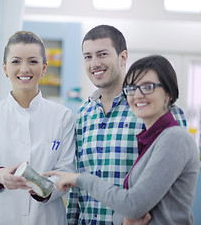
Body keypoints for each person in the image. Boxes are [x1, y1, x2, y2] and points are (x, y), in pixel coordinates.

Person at [45, 54, 200, 224]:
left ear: (169, 93)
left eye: (148, 87)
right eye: (132, 88)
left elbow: (132, 204)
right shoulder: (152, 140)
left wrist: (79, 179)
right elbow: (130, 210)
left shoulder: (175, 138)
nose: (138, 95)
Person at [65, 25, 187, 225]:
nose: (95, 63)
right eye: (88, 57)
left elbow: (171, 190)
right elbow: (76, 191)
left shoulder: (158, 111)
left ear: (123, 57)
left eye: (102, 54)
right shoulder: (82, 116)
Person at [0, 31, 76, 225]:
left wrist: (44, 189)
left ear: (44, 67)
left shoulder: (62, 117)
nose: (24, 69)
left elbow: (65, 171)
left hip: (45, 217)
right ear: (4, 68)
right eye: (15, 61)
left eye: (32, 61)